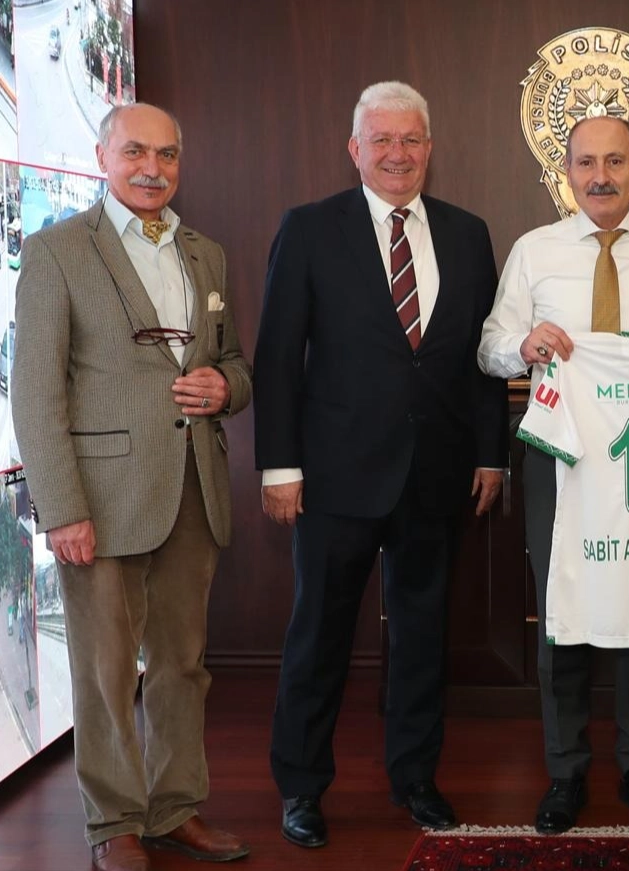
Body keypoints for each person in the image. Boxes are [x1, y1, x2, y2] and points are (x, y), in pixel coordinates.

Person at [255, 81, 506, 849]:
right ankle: (302, 786)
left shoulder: (467, 233)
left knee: (423, 637)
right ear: (355, 148)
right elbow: (277, 356)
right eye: (382, 140)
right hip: (333, 477)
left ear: (430, 148)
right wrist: (278, 467)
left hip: (437, 474)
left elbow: (480, 358)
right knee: (319, 637)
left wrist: (491, 453)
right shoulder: (309, 228)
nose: (398, 154)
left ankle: (416, 777)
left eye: (411, 139)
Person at [12, 103, 251, 871]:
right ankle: (112, 820)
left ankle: (174, 808)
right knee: (106, 670)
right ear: (102, 156)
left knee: (182, 665)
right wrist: (62, 509)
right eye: (136, 152)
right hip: (101, 500)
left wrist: (225, 386)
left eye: (167, 154)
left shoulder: (205, 254)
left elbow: (235, 362)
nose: (153, 168)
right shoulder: (55, 251)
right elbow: (35, 391)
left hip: (193, 488)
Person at [478, 114, 629, 835]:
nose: (600, 177)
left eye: (615, 161)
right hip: (558, 458)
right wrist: (524, 344)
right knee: (561, 611)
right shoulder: (535, 250)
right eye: (586, 162)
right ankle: (564, 771)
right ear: (567, 170)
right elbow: (491, 347)